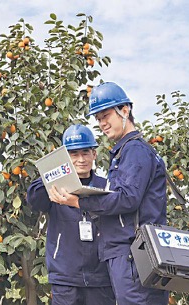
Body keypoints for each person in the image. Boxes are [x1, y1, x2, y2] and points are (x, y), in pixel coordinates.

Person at [48, 82, 169, 305]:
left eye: (106, 116)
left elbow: (127, 198)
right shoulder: (125, 151)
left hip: (134, 253)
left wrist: (80, 202)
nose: (102, 124)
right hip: (127, 254)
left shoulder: (134, 150)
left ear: (125, 111)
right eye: (98, 119)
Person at [26, 124, 115, 305]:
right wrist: (55, 174)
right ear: (66, 157)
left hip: (100, 279)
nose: (80, 159)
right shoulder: (55, 186)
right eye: (74, 154)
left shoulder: (106, 186)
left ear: (94, 154)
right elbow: (33, 199)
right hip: (65, 278)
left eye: (85, 153)